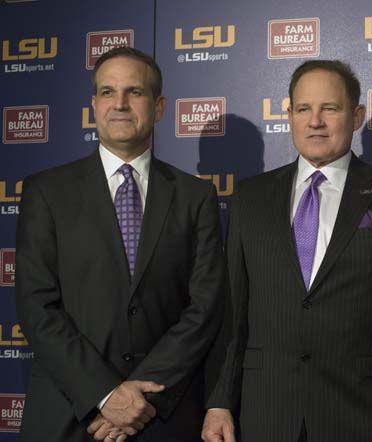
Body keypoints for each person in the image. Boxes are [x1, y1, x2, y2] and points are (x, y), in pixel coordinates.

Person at [201, 60, 372, 442]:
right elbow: (233, 313)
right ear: (290, 115)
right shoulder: (250, 198)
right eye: (303, 109)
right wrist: (219, 401)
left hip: (364, 415)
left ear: (356, 115)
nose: (315, 121)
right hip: (267, 414)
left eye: (329, 108)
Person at [16, 46, 226, 442]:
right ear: (94, 104)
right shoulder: (46, 192)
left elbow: (205, 308)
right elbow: (37, 307)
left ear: (159, 106)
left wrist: (137, 397)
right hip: (70, 414)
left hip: (162, 415)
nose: (120, 104)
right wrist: (105, 394)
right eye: (108, 92)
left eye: (135, 92)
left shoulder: (196, 196)